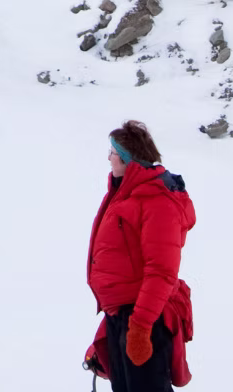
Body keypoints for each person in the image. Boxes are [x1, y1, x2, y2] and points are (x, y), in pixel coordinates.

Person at [86, 120, 196, 392]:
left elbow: (161, 271)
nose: (108, 158)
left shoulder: (157, 201)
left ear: (128, 159)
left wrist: (140, 326)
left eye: (113, 152)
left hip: (144, 319)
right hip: (121, 317)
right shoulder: (124, 194)